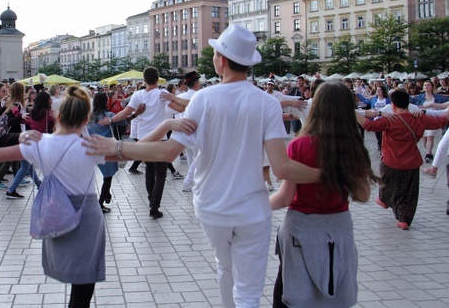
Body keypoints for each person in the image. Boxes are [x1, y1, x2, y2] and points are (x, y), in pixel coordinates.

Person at [84, 24, 321, 308]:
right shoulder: (266, 103)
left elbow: (168, 152)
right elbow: (281, 169)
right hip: (252, 209)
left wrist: (118, 147)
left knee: (224, 267)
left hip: (212, 207)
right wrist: (326, 174)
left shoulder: (203, 99)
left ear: (221, 59)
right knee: (248, 291)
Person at [0, 85, 114, 308]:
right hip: (88, 219)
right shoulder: (92, 146)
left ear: (58, 115)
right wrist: (168, 127)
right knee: (83, 291)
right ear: (86, 120)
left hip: (58, 213)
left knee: (71, 276)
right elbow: (141, 148)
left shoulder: (41, 143)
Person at [269, 82, 377, 307]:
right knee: (335, 291)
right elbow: (363, 194)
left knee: (292, 292)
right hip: (339, 229)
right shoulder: (353, 147)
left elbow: (285, 198)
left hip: (301, 230)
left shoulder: (299, 145)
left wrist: (256, 204)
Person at [356, 88, 448, 229]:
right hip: (411, 163)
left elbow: (368, 126)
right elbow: (441, 121)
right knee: (409, 193)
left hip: (390, 161)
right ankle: (404, 220)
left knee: (387, 182)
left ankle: (384, 199)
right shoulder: (419, 118)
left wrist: (353, 112)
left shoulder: (390, 120)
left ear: (393, 105)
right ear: (408, 103)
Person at [100, 67, 182, 219]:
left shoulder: (138, 94)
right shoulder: (162, 94)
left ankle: (151, 199)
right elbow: (179, 107)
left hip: (144, 138)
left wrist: (109, 120)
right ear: (157, 79)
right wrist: (177, 99)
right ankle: (154, 206)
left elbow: (125, 113)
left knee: (149, 170)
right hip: (160, 138)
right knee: (161, 174)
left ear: (144, 80)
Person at [4, 91, 53, 199]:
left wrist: (14, 108)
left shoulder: (31, 113)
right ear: (46, 101)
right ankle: (11, 190)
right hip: (41, 144)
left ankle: (39, 185)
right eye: (50, 99)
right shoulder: (49, 114)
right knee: (27, 166)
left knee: (27, 166)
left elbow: (19, 118)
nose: (51, 100)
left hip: (27, 143)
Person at [410, 81, 449, 163]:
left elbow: (445, 103)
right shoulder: (419, 97)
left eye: (428, 85)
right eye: (425, 85)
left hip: (433, 118)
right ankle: (430, 153)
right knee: (424, 138)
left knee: (430, 136)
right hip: (423, 118)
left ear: (432, 87)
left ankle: (427, 154)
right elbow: (411, 103)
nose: (426, 86)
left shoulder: (438, 97)